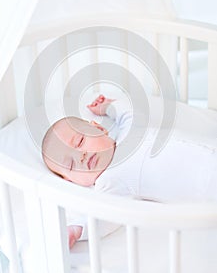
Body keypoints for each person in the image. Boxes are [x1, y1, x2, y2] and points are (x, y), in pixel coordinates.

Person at [42, 94, 217, 249]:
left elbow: (130, 113)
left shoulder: (130, 131)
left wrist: (108, 106)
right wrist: (77, 230)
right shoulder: (111, 180)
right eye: (71, 165)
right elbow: (105, 214)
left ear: (99, 128)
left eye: (80, 142)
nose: (81, 156)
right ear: (71, 181)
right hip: (207, 187)